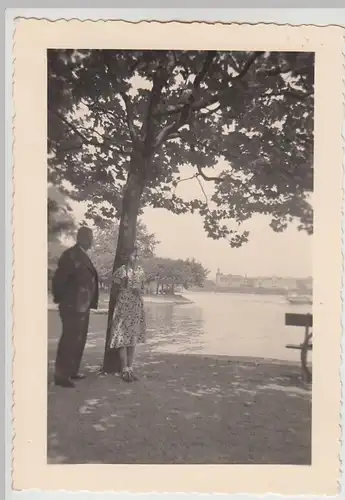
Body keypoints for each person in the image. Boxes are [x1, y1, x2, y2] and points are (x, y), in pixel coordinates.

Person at [52, 226, 99, 388]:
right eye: (90, 238)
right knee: (69, 340)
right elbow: (59, 280)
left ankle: (72, 371)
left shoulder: (82, 255)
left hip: (82, 306)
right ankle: (61, 376)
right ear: (82, 238)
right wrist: (64, 300)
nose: (92, 242)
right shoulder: (71, 255)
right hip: (72, 306)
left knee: (79, 340)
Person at [109, 247, 146, 382]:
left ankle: (130, 368)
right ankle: (124, 369)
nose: (136, 258)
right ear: (128, 257)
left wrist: (139, 290)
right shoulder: (122, 270)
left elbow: (143, 288)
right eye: (134, 256)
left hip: (136, 305)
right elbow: (114, 286)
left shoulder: (140, 271)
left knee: (133, 338)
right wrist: (123, 290)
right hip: (124, 305)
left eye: (137, 256)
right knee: (123, 337)